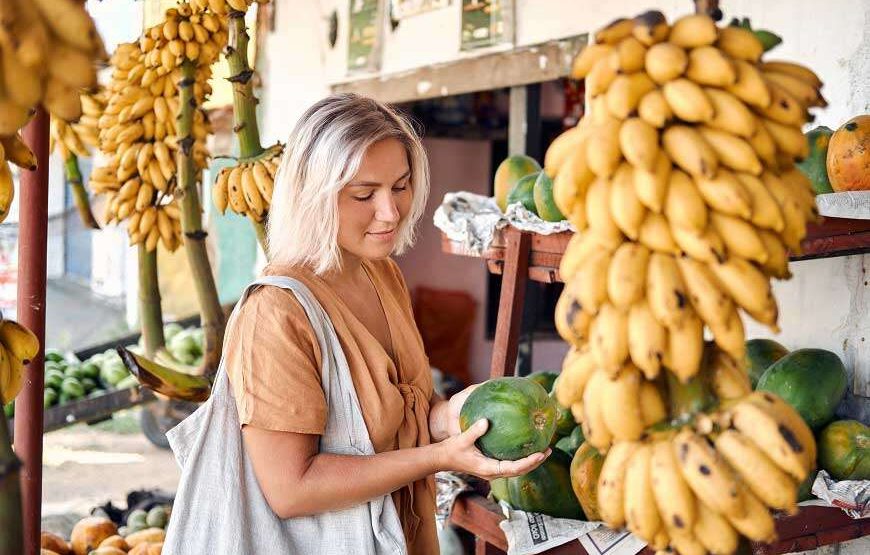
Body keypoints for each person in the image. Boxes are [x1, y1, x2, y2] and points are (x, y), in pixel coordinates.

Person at [223, 93, 549, 554]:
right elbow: (291, 489)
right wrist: (437, 458)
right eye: (364, 194)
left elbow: (408, 416)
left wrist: (458, 416)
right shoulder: (276, 313)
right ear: (311, 195)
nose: (390, 212)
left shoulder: (381, 273)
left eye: (400, 186)